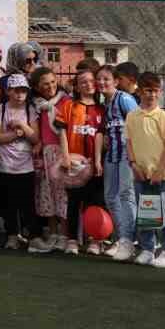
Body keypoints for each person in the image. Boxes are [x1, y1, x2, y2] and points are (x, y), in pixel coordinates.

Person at [127, 72, 165, 268]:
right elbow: (129, 142)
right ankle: (148, 249)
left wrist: (159, 170)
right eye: (148, 90)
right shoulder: (132, 116)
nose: (152, 94)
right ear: (139, 91)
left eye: (156, 91)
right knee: (146, 213)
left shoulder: (163, 117)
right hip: (140, 174)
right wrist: (133, 164)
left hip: (162, 176)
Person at [53, 68, 104, 256]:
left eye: (91, 81)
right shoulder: (68, 106)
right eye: (83, 81)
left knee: (94, 203)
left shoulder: (102, 109)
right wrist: (65, 156)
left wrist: (98, 160)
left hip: (94, 164)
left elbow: (101, 135)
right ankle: (72, 240)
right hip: (74, 164)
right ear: (77, 86)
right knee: (74, 203)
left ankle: (94, 240)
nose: (88, 84)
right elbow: (62, 131)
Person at [100, 62, 141, 262]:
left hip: (126, 155)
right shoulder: (104, 104)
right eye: (99, 79)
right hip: (112, 155)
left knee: (126, 195)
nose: (102, 82)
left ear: (116, 81)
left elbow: (138, 124)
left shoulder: (124, 99)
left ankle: (129, 240)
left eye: (106, 79)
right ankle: (121, 236)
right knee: (110, 196)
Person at [0, 74, 39, 250]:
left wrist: (22, 125)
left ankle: (32, 236)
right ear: (8, 91)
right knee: (10, 204)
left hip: (26, 165)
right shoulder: (1, 110)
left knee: (28, 203)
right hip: (6, 165)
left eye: (23, 90)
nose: (20, 94)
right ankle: (12, 235)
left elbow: (35, 138)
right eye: (16, 90)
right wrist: (16, 134)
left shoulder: (30, 110)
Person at [28, 67, 68, 255]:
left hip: (61, 153)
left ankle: (64, 234)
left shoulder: (65, 101)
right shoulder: (38, 106)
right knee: (47, 194)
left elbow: (65, 130)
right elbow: (42, 131)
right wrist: (40, 144)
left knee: (62, 194)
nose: (50, 86)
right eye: (45, 83)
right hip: (45, 154)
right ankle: (52, 232)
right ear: (37, 87)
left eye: (53, 81)